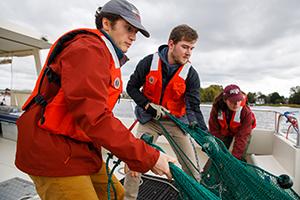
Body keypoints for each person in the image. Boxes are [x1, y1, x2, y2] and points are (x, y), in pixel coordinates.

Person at [15, 0, 175, 199]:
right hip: (52, 149)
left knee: (115, 194)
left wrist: (131, 156)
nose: (133, 37)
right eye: (128, 29)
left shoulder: (103, 53)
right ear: (106, 24)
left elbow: (97, 117)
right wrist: (148, 157)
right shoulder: (88, 49)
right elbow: (95, 118)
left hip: (79, 147)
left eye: (136, 32)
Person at [123, 24, 208, 200]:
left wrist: (204, 134)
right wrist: (147, 105)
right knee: (134, 164)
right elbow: (131, 88)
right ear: (171, 44)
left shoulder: (191, 74)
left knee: (192, 170)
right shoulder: (148, 62)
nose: (189, 52)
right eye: (185, 46)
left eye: (192, 48)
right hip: (149, 120)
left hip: (176, 122)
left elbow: (193, 107)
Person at [208, 84, 256, 161]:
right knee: (217, 153)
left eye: (238, 100)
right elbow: (214, 130)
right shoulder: (217, 108)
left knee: (239, 155)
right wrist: (217, 148)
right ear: (225, 100)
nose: (236, 104)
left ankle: (238, 168)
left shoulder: (246, 112)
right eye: (232, 101)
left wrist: (234, 160)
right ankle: (209, 171)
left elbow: (242, 137)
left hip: (243, 131)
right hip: (225, 131)